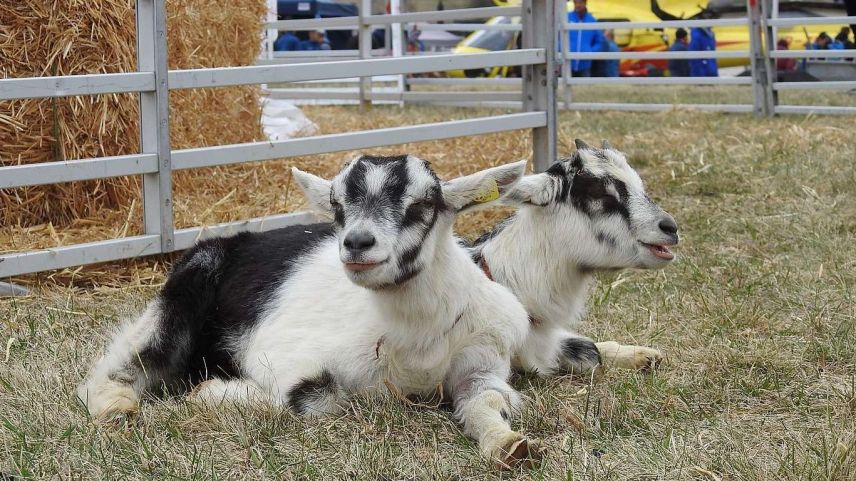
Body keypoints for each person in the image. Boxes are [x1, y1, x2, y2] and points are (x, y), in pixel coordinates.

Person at [567, 0, 604, 77]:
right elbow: (559, 37)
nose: (577, 5)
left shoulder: (592, 20)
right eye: (575, 3)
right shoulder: (567, 18)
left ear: (585, 3)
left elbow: (599, 41)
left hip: (585, 65)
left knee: (583, 88)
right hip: (567, 63)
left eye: (580, 2)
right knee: (565, 87)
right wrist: (562, 49)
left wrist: (590, 52)